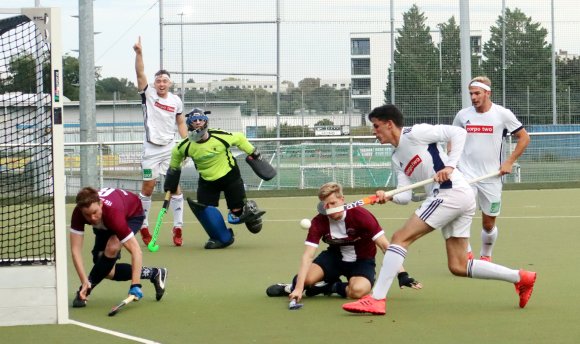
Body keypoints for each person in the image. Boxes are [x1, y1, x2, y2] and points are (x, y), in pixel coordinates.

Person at [342, 104, 536, 315]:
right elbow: (405, 196)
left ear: (389, 124)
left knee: (399, 238)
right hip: (456, 197)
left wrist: (450, 166)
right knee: (459, 265)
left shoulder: (416, 133)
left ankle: (377, 299)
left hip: (450, 192)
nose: (374, 131)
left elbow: (458, 132)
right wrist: (387, 196)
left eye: (376, 126)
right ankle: (520, 277)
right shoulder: (397, 158)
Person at [266, 182, 422, 302]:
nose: (330, 208)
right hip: (334, 258)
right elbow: (307, 256)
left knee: (358, 291)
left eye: (333, 203)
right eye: (326, 205)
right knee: (304, 280)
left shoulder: (362, 216)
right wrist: (299, 288)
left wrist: (403, 274)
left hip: (362, 261)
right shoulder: (319, 221)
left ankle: (330, 287)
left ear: (342, 200)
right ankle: (289, 287)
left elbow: (385, 246)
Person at [163, 108, 266, 249]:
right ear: (189, 124)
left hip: (230, 177)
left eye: (201, 120)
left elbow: (240, 138)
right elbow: (174, 165)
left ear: (206, 122)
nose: (198, 123)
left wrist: (254, 153)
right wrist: (170, 184)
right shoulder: (184, 146)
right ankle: (222, 237)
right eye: (194, 120)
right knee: (205, 211)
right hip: (207, 181)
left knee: (236, 215)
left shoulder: (220, 136)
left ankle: (248, 209)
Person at [452, 76, 530, 261]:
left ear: (487, 93)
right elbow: (452, 139)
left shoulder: (502, 114)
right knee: (460, 215)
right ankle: (467, 254)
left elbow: (524, 138)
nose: (473, 97)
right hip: (465, 174)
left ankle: (486, 256)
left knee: (488, 223)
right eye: (471, 93)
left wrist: (509, 161)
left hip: (491, 176)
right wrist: (451, 163)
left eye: (477, 93)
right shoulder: (463, 115)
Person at [70, 187, 167, 308]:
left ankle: (84, 291)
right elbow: (75, 250)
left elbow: (136, 251)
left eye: (95, 212)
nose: (92, 218)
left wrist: (135, 285)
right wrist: (84, 279)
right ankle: (154, 273)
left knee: (113, 245)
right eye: (87, 215)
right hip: (106, 221)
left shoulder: (113, 213)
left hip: (132, 214)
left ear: (100, 204)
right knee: (106, 270)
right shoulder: (78, 214)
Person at [133, 36, 188, 247]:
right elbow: (140, 73)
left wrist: (186, 144)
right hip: (150, 149)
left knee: (175, 188)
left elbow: (181, 122)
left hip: (170, 149)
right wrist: (139, 53)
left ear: (170, 83)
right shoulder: (148, 94)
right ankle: (144, 225)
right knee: (148, 186)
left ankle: (178, 227)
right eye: (158, 81)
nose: (161, 84)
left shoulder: (176, 101)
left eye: (165, 81)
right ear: (154, 83)